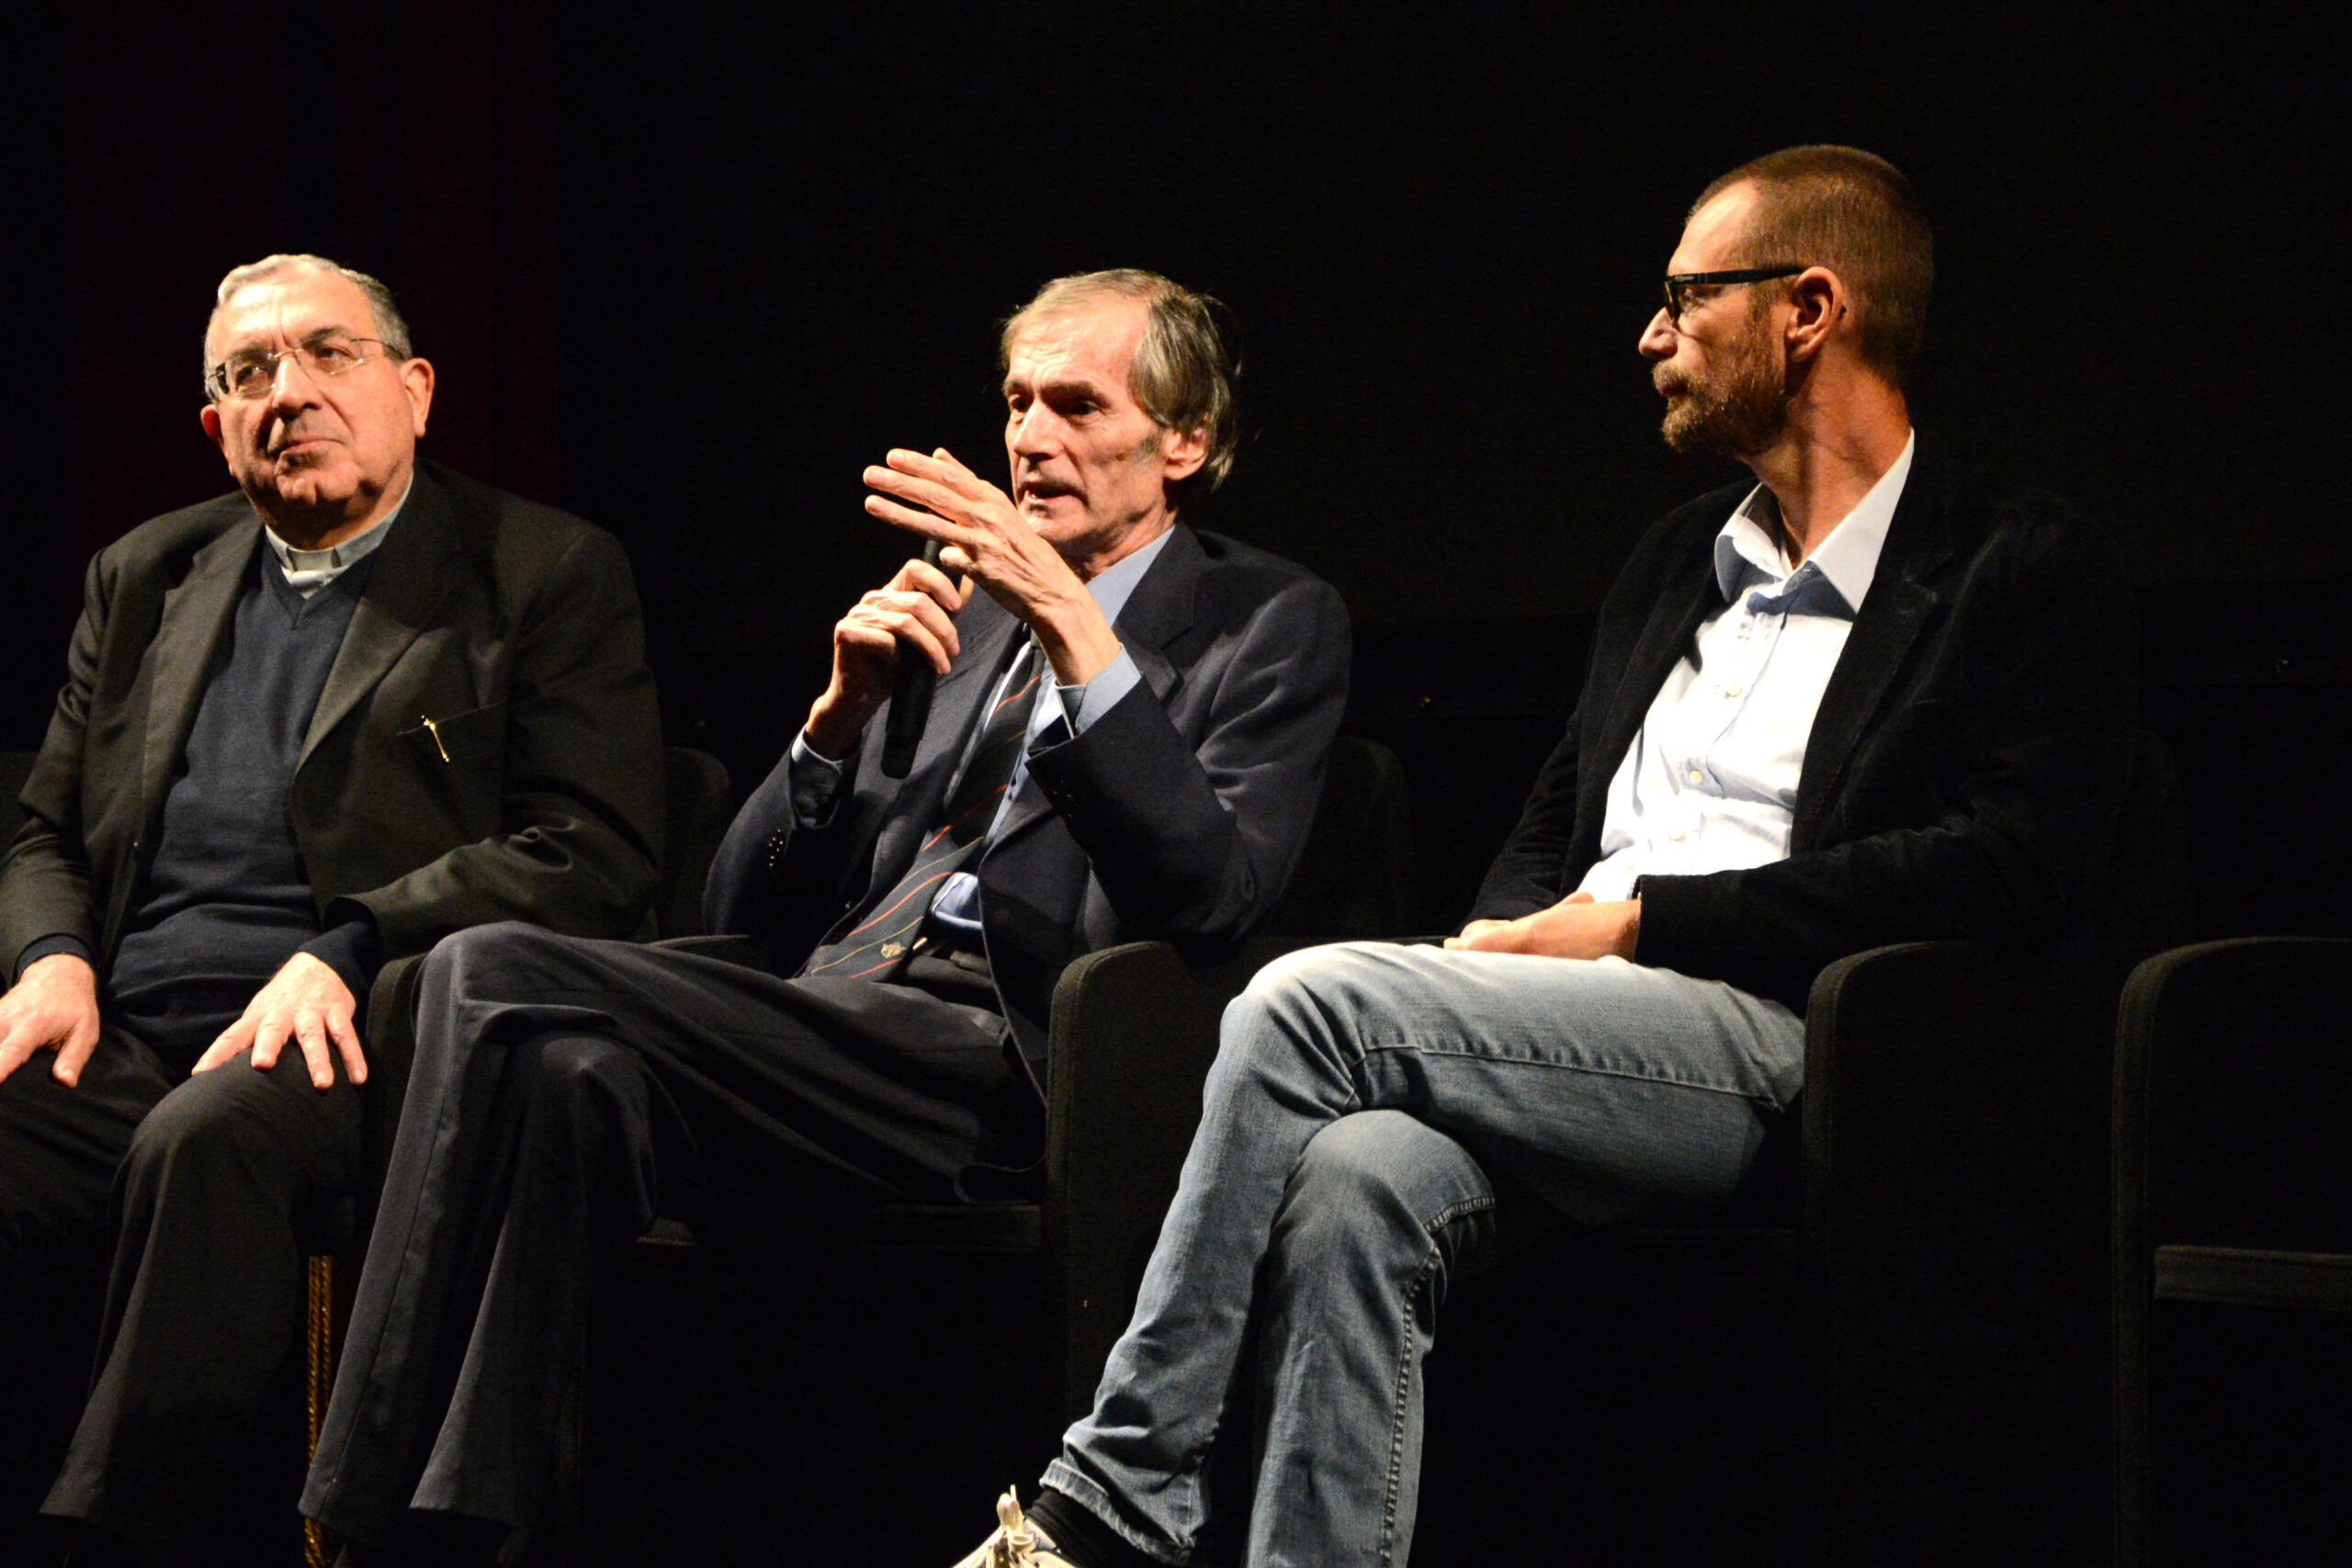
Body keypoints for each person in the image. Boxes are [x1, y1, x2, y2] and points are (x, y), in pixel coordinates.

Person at [955, 147, 2139, 1568]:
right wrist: (1504, 952)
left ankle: (1113, 1499)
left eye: (1686, 300)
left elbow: (2012, 867)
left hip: (1789, 1040)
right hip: (1580, 1029)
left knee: (1300, 1001)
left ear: (1809, 308)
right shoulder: (1671, 563)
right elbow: (1551, 825)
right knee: (1355, 1182)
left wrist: (1643, 924)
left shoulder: (2013, 565)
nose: (1652, 336)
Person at [298, 268, 1351, 1563]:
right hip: (827, 1024)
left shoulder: (1268, 623)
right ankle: (481, 1532)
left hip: (1008, 1057)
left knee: (473, 970)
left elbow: (1212, 894)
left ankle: (345, 1524)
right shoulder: (955, 621)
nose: (1030, 438)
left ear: (1181, 443)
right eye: (1018, 402)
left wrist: (1074, 625)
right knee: (565, 1074)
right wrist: (830, 727)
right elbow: (738, 913)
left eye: (1078, 406)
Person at [0, 254, 663, 1566]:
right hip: (125, 1026)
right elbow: (42, 828)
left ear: (413, 391)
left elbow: (594, 848)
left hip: (359, 1035)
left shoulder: (540, 572)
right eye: (248, 374)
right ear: (215, 424)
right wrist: (52, 957)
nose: (287, 393)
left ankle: (113, 1539)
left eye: (327, 355)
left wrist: (349, 946)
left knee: (207, 1139)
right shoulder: (144, 577)